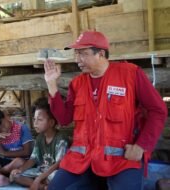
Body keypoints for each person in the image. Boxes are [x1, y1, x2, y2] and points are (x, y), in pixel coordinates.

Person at [44, 31, 168, 190]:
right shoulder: (77, 84)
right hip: (82, 159)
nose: (78, 60)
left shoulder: (130, 74)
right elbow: (64, 119)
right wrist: (51, 84)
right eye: (76, 54)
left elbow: (158, 110)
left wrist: (141, 146)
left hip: (122, 160)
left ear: (101, 53)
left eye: (83, 54)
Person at [10, 97, 68, 190]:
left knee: (56, 176)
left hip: (53, 172)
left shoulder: (60, 139)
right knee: (16, 176)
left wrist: (39, 178)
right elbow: (33, 159)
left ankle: (38, 184)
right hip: (41, 172)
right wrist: (20, 170)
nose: (35, 123)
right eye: (34, 119)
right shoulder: (40, 137)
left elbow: (58, 164)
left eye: (40, 120)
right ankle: (43, 187)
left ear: (51, 122)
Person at [0, 107, 33, 187]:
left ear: (5, 116)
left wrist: (5, 153)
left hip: (19, 162)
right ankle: (2, 177)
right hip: (3, 162)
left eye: (2, 125)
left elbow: (26, 152)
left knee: (19, 161)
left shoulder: (22, 128)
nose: (3, 129)